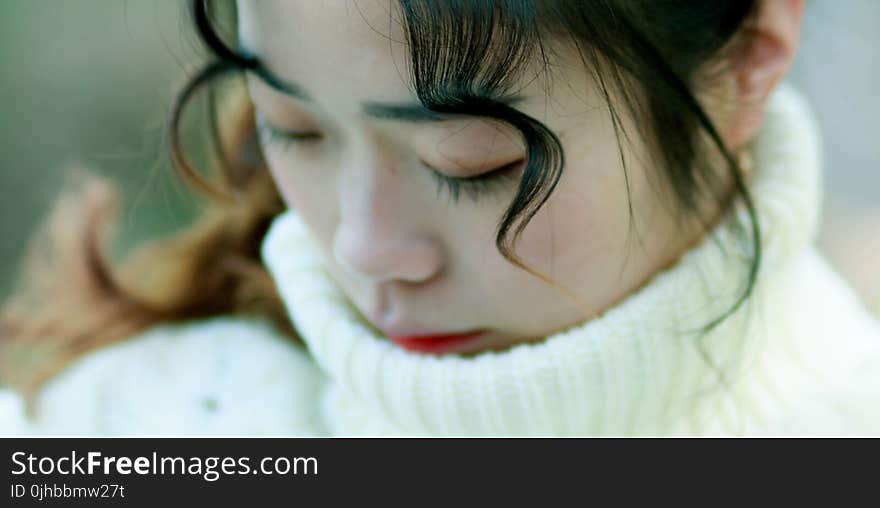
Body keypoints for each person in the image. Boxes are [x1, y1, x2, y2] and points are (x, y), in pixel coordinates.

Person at [1, 0, 878, 436]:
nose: (362, 249)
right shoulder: (138, 425)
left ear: (748, 63)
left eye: (474, 165)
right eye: (296, 131)